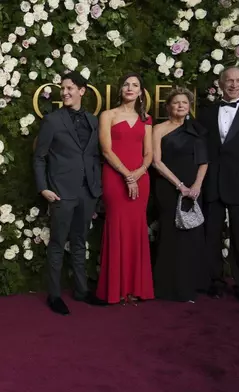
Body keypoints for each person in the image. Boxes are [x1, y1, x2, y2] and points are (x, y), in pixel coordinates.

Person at [33, 71, 107, 315]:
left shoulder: (94, 121)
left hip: (87, 192)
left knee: (79, 242)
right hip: (61, 193)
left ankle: (81, 290)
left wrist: (97, 188)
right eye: (62, 88)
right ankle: (54, 295)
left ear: (82, 91)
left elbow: (96, 156)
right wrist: (44, 187)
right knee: (57, 244)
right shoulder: (53, 121)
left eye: (70, 88)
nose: (65, 92)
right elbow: (39, 157)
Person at [197, 66, 239, 306]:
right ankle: (214, 281)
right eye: (229, 81)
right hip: (212, 184)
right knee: (210, 236)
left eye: (238, 81)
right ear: (221, 83)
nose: (234, 85)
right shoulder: (206, 114)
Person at [96, 72, 155, 305]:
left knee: (136, 229)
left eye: (135, 85)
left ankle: (135, 288)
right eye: (126, 85)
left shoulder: (146, 119)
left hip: (140, 178)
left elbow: (149, 153)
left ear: (141, 92)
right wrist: (127, 176)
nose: (130, 88)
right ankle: (115, 289)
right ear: (121, 90)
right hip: (115, 177)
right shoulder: (107, 115)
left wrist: (137, 174)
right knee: (117, 226)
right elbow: (106, 150)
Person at [151, 88, 209, 302]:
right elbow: (156, 162)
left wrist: (196, 186)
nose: (181, 106)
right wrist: (179, 185)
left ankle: (188, 287)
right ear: (168, 106)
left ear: (189, 106)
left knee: (191, 238)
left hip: (193, 191)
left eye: (185, 102)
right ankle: (167, 288)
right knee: (169, 235)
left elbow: (204, 161)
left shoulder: (197, 129)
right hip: (168, 187)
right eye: (176, 102)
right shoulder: (158, 129)